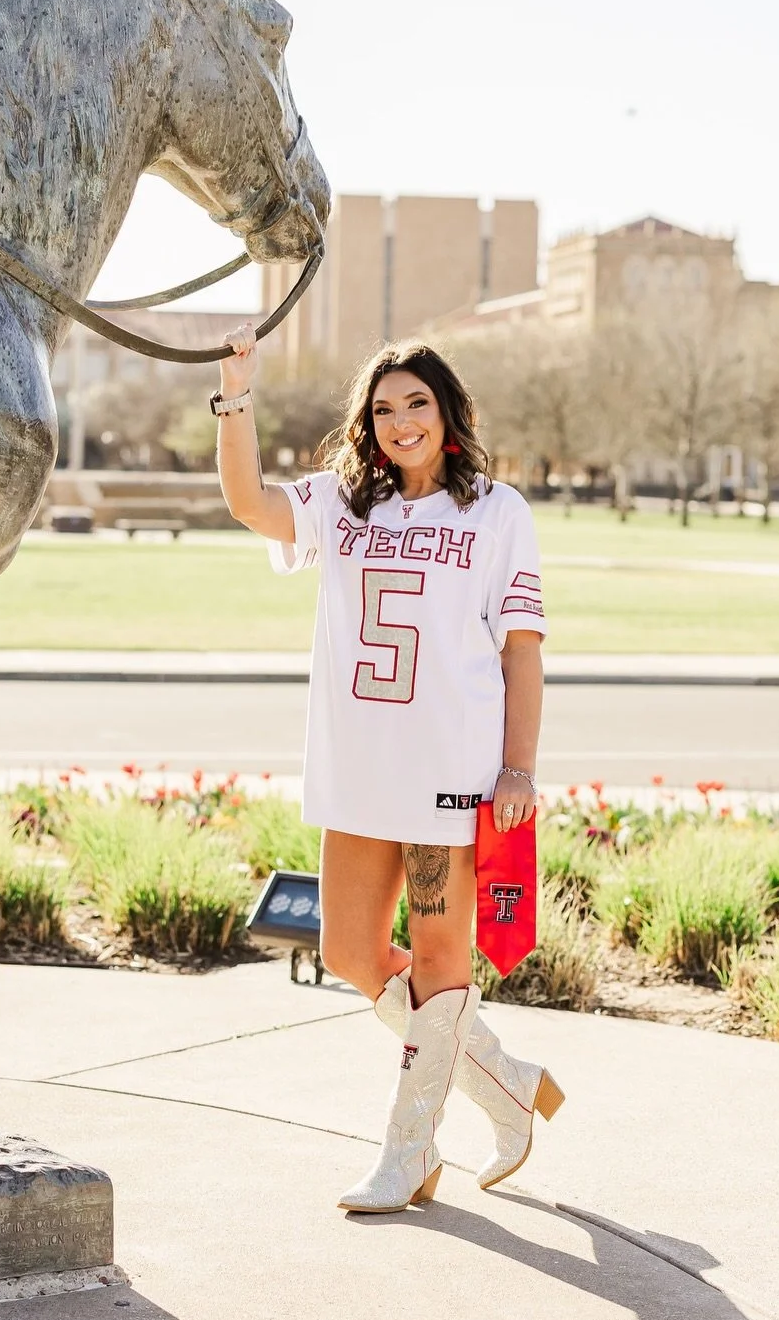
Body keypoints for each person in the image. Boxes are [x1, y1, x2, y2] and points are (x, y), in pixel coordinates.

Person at [216, 325, 563, 1212]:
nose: (401, 420)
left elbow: (521, 650)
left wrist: (518, 769)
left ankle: (409, 1153)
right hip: (359, 767)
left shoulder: (497, 511)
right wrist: (237, 393)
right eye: (383, 408)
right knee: (348, 949)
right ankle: (506, 1084)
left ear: (449, 413)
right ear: (366, 426)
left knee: (443, 959)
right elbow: (250, 500)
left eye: (418, 403)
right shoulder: (342, 503)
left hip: (449, 775)